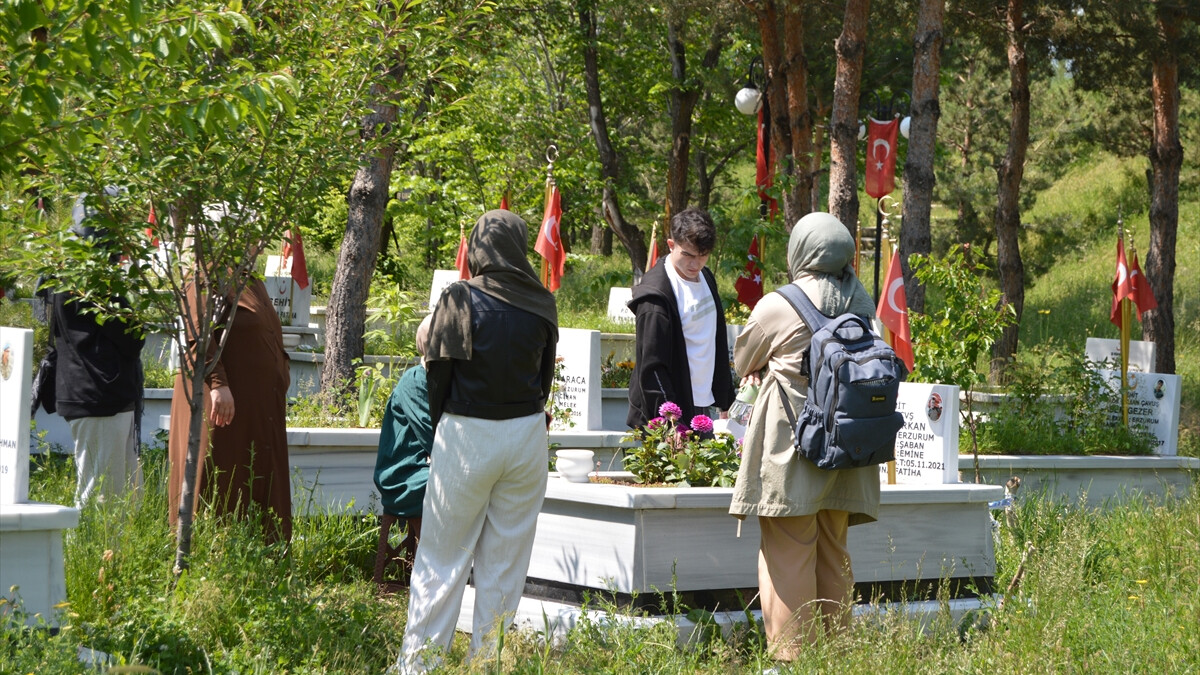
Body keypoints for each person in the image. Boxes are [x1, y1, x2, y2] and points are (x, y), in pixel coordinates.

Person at [396, 209, 558, 673]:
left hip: (467, 434)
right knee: (506, 563)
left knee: (442, 558)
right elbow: (543, 380)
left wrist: (438, 432)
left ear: (479, 247)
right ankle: (487, 664)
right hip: (526, 437)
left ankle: (419, 667)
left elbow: (437, 376)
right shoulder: (542, 301)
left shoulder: (459, 297)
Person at [729, 212, 880, 660]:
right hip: (849, 446)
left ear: (802, 251)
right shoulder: (863, 299)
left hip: (793, 447)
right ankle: (834, 655)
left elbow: (743, 359)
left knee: (789, 550)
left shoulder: (781, 303)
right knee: (834, 551)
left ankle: (791, 659)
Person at [167, 270, 292, 544]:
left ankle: (258, 559)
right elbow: (197, 331)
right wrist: (218, 382)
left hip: (255, 407)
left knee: (253, 481)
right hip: (222, 406)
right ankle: (213, 554)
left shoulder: (250, 277)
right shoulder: (208, 271)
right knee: (221, 481)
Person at [43, 190, 145, 507]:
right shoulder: (94, 274)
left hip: (93, 393)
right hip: (100, 394)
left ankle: (116, 556)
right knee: (101, 497)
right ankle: (87, 556)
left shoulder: (68, 267)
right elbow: (132, 336)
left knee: (125, 497)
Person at [626, 207, 734, 430]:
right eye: (688, 255)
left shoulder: (705, 277)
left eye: (703, 256)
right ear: (671, 244)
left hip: (703, 403)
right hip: (666, 412)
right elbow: (652, 367)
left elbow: (715, 338)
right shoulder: (655, 296)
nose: (695, 264)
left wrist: (726, 399)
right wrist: (671, 423)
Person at [373, 363, 434, 584]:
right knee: (456, 486)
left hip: (421, 468)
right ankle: (438, 578)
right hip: (402, 477)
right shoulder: (416, 380)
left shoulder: (434, 379)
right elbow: (435, 435)